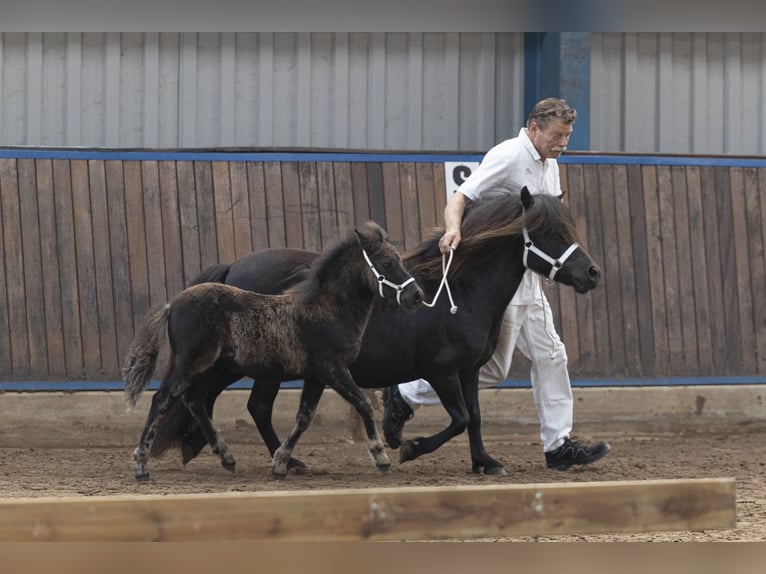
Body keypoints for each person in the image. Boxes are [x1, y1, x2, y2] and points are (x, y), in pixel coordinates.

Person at [383, 97, 611, 471]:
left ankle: (558, 446)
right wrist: (454, 228)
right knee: (492, 369)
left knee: (552, 355)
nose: (563, 143)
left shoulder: (549, 164)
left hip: (528, 279)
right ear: (534, 128)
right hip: (493, 284)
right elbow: (460, 197)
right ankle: (406, 392)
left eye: (567, 136)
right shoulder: (507, 155)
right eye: (558, 135)